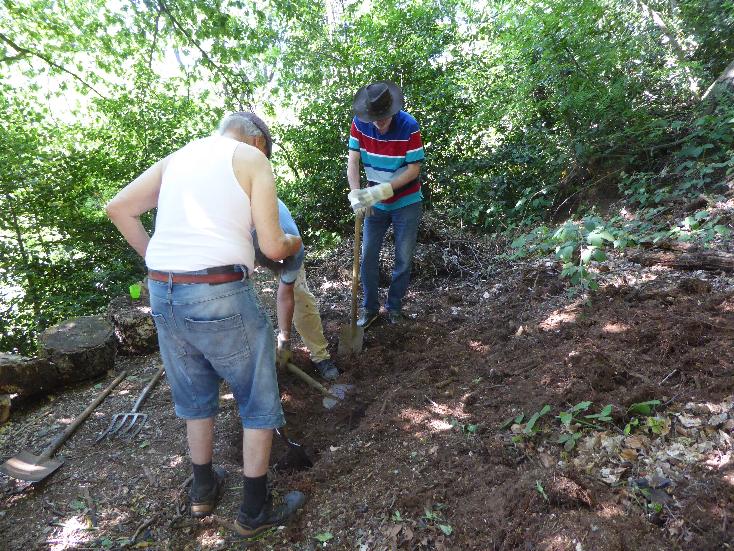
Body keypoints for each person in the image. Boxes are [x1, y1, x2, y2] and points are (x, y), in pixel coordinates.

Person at [105, 111, 305, 539]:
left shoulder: (178, 158)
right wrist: (294, 241)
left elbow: (118, 208)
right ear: (257, 142)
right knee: (257, 393)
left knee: (195, 392)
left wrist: (158, 260)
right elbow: (273, 246)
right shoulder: (252, 159)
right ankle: (254, 510)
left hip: (163, 291)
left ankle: (203, 489)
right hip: (218, 292)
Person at [347, 80, 425, 327]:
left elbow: (413, 169)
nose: (378, 124)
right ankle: (370, 309)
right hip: (374, 201)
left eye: (383, 118)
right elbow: (353, 161)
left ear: (392, 110)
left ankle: (394, 307)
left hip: (406, 202)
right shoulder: (360, 123)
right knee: (368, 257)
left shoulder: (409, 125)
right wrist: (356, 193)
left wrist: (383, 190)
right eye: (374, 119)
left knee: (403, 259)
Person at [254, 199, 340, 381]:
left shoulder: (294, 246)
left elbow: (286, 295)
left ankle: (320, 356)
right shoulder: (237, 240)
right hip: (238, 241)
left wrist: (284, 340)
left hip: (274, 240)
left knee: (299, 295)